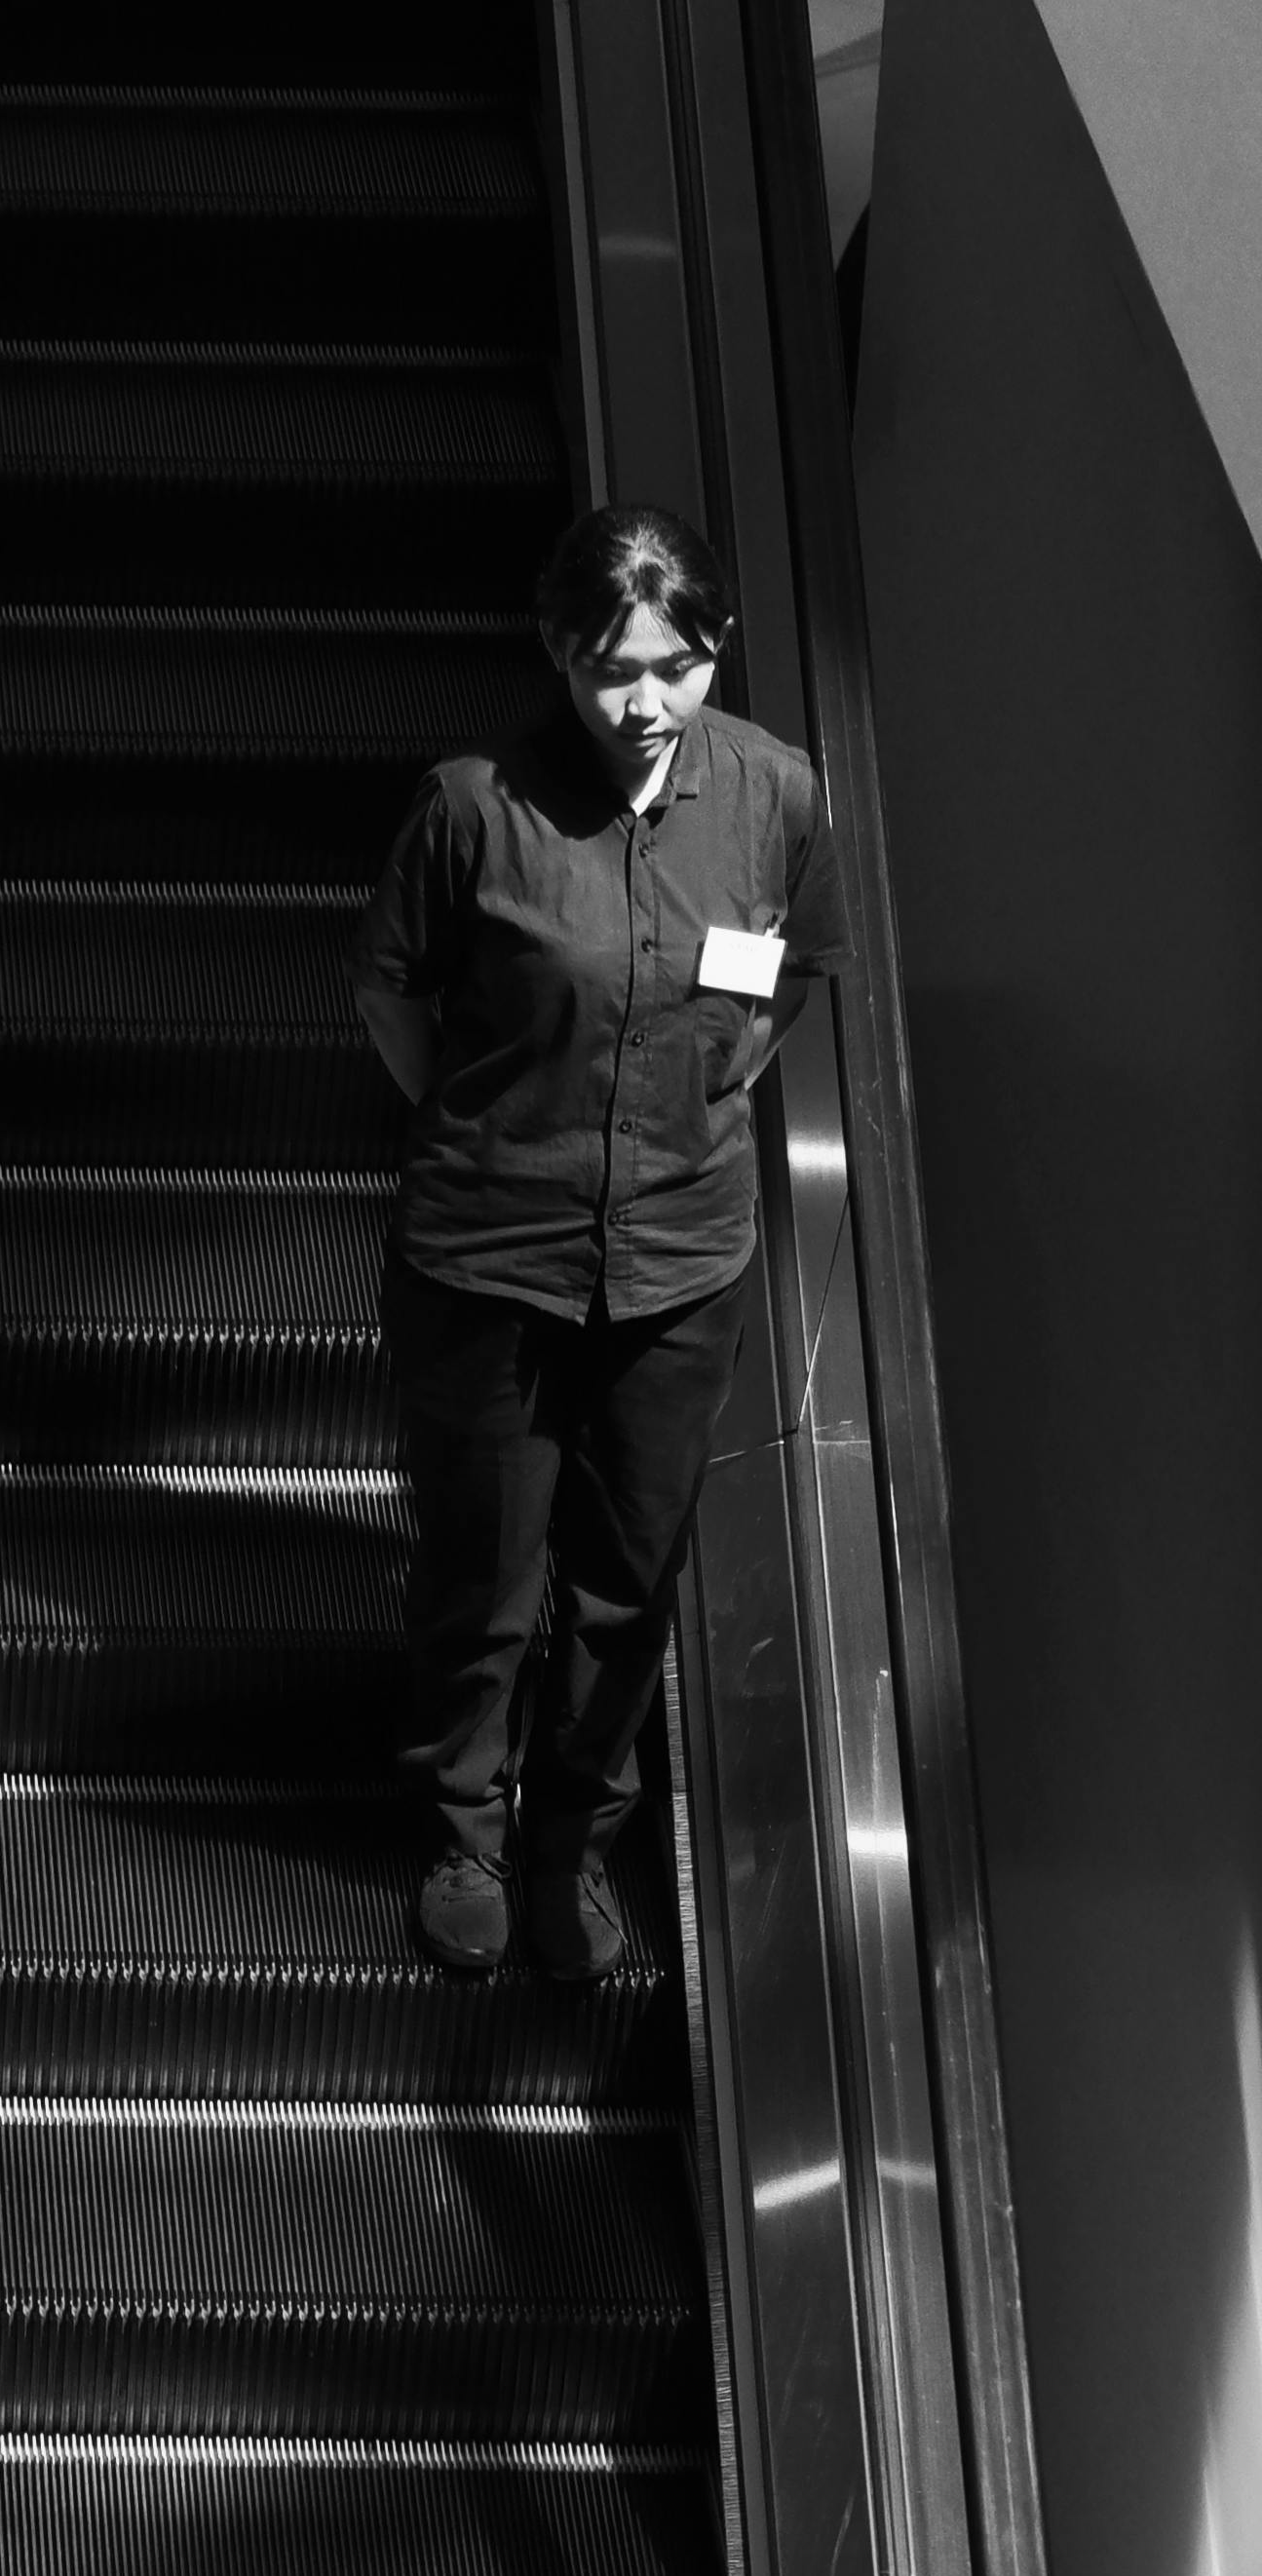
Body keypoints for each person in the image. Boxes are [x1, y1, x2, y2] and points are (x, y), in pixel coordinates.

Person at [353, 500, 851, 1976]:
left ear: (717, 653)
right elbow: (395, 998)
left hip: (680, 1261)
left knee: (629, 1574)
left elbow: (781, 990)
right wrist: (483, 1116)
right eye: (607, 669)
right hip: (487, 1251)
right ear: (557, 658)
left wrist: (699, 1095)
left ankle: (576, 1831)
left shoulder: (777, 794)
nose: (642, 703)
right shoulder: (474, 806)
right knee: (483, 1567)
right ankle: (462, 1822)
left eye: (675, 668)